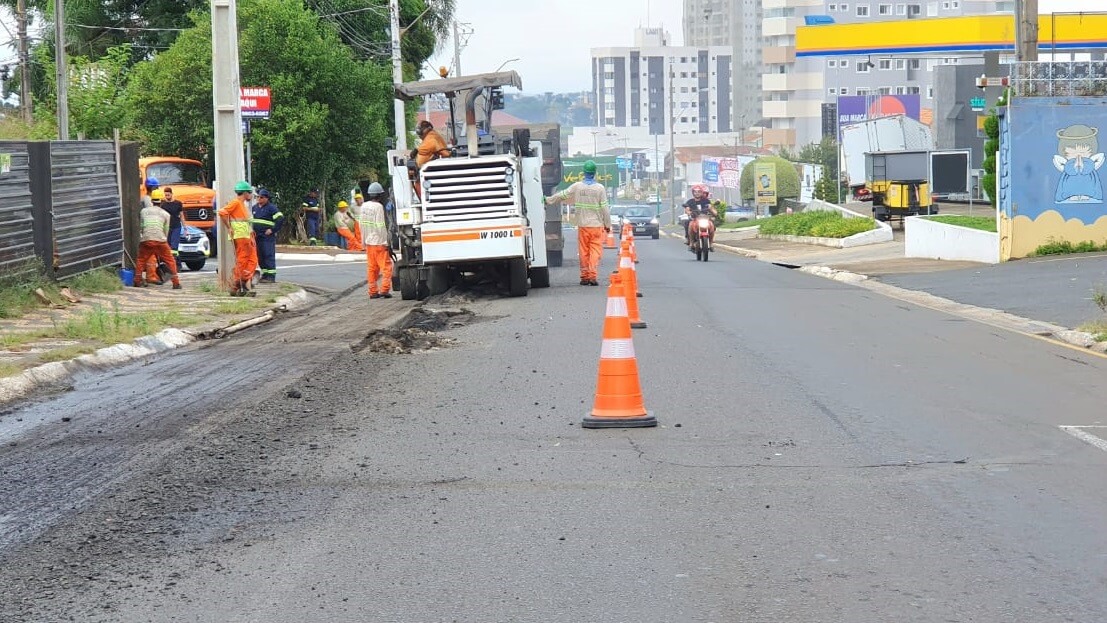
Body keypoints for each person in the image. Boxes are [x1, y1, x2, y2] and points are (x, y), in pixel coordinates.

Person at [545, 160, 611, 286]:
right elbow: (605, 209)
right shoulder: (600, 188)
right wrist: (607, 225)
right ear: (595, 173)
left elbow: (561, 195)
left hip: (583, 226)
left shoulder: (577, 187)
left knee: (584, 252)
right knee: (595, 252)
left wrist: (548, 200)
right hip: (596, 226)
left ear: (584, 173)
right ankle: (592, 276)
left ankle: (585, 277)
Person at [218, 180, 258, 297]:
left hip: (246, 236)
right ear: (245, 193)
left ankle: (243, 282)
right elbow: (222, 212)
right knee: (242, 260)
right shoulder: (236, 203)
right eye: (250, 192)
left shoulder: (242, 205)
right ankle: (236, 284)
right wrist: (229, 228)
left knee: (252, 260)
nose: (251, 195)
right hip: (240, 236)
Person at [354, 182, 394, 299]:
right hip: (379, 243)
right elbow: (380, 226)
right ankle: (384, 290)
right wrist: (385, 242)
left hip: (369, 243)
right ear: (379, 195)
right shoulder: (378, 207)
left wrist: (363, 242)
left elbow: (361, 225)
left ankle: (372, 292)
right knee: (386, 267)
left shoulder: (364, 206)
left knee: (372, 268)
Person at [135, 188, 181, 289]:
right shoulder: (166, 214)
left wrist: (145, 236)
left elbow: (142, 227)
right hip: (160, 240)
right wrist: (163, 240)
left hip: (146, 239)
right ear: (162, 201)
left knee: (141, 260)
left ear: (151, 201)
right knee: (170, 261)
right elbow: (166, 231)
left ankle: (137, 281)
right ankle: (176, 283)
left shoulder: (143, 211)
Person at [252, 188, 283, 283]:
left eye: (261, 197)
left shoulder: (272, 208)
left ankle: (271, 276)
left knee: (268, 254)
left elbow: (280, 219)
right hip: (257, 236)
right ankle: (265, 274)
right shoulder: (255, 208)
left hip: (267, 237)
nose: (259, 199)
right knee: (260, 256)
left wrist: (272, 230)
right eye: (258, 197)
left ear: (266, 198)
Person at [160, 187, 184, 271]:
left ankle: (174, 266)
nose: (167, 196)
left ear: (171, 194)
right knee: (168, 247)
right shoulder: (163, 205)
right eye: (165, 195)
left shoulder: (178, 203)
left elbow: (181, 215)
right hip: (167, 227)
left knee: (174, 246)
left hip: (176, 226)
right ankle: (177, 264)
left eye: (168, 195)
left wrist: (185, 228)